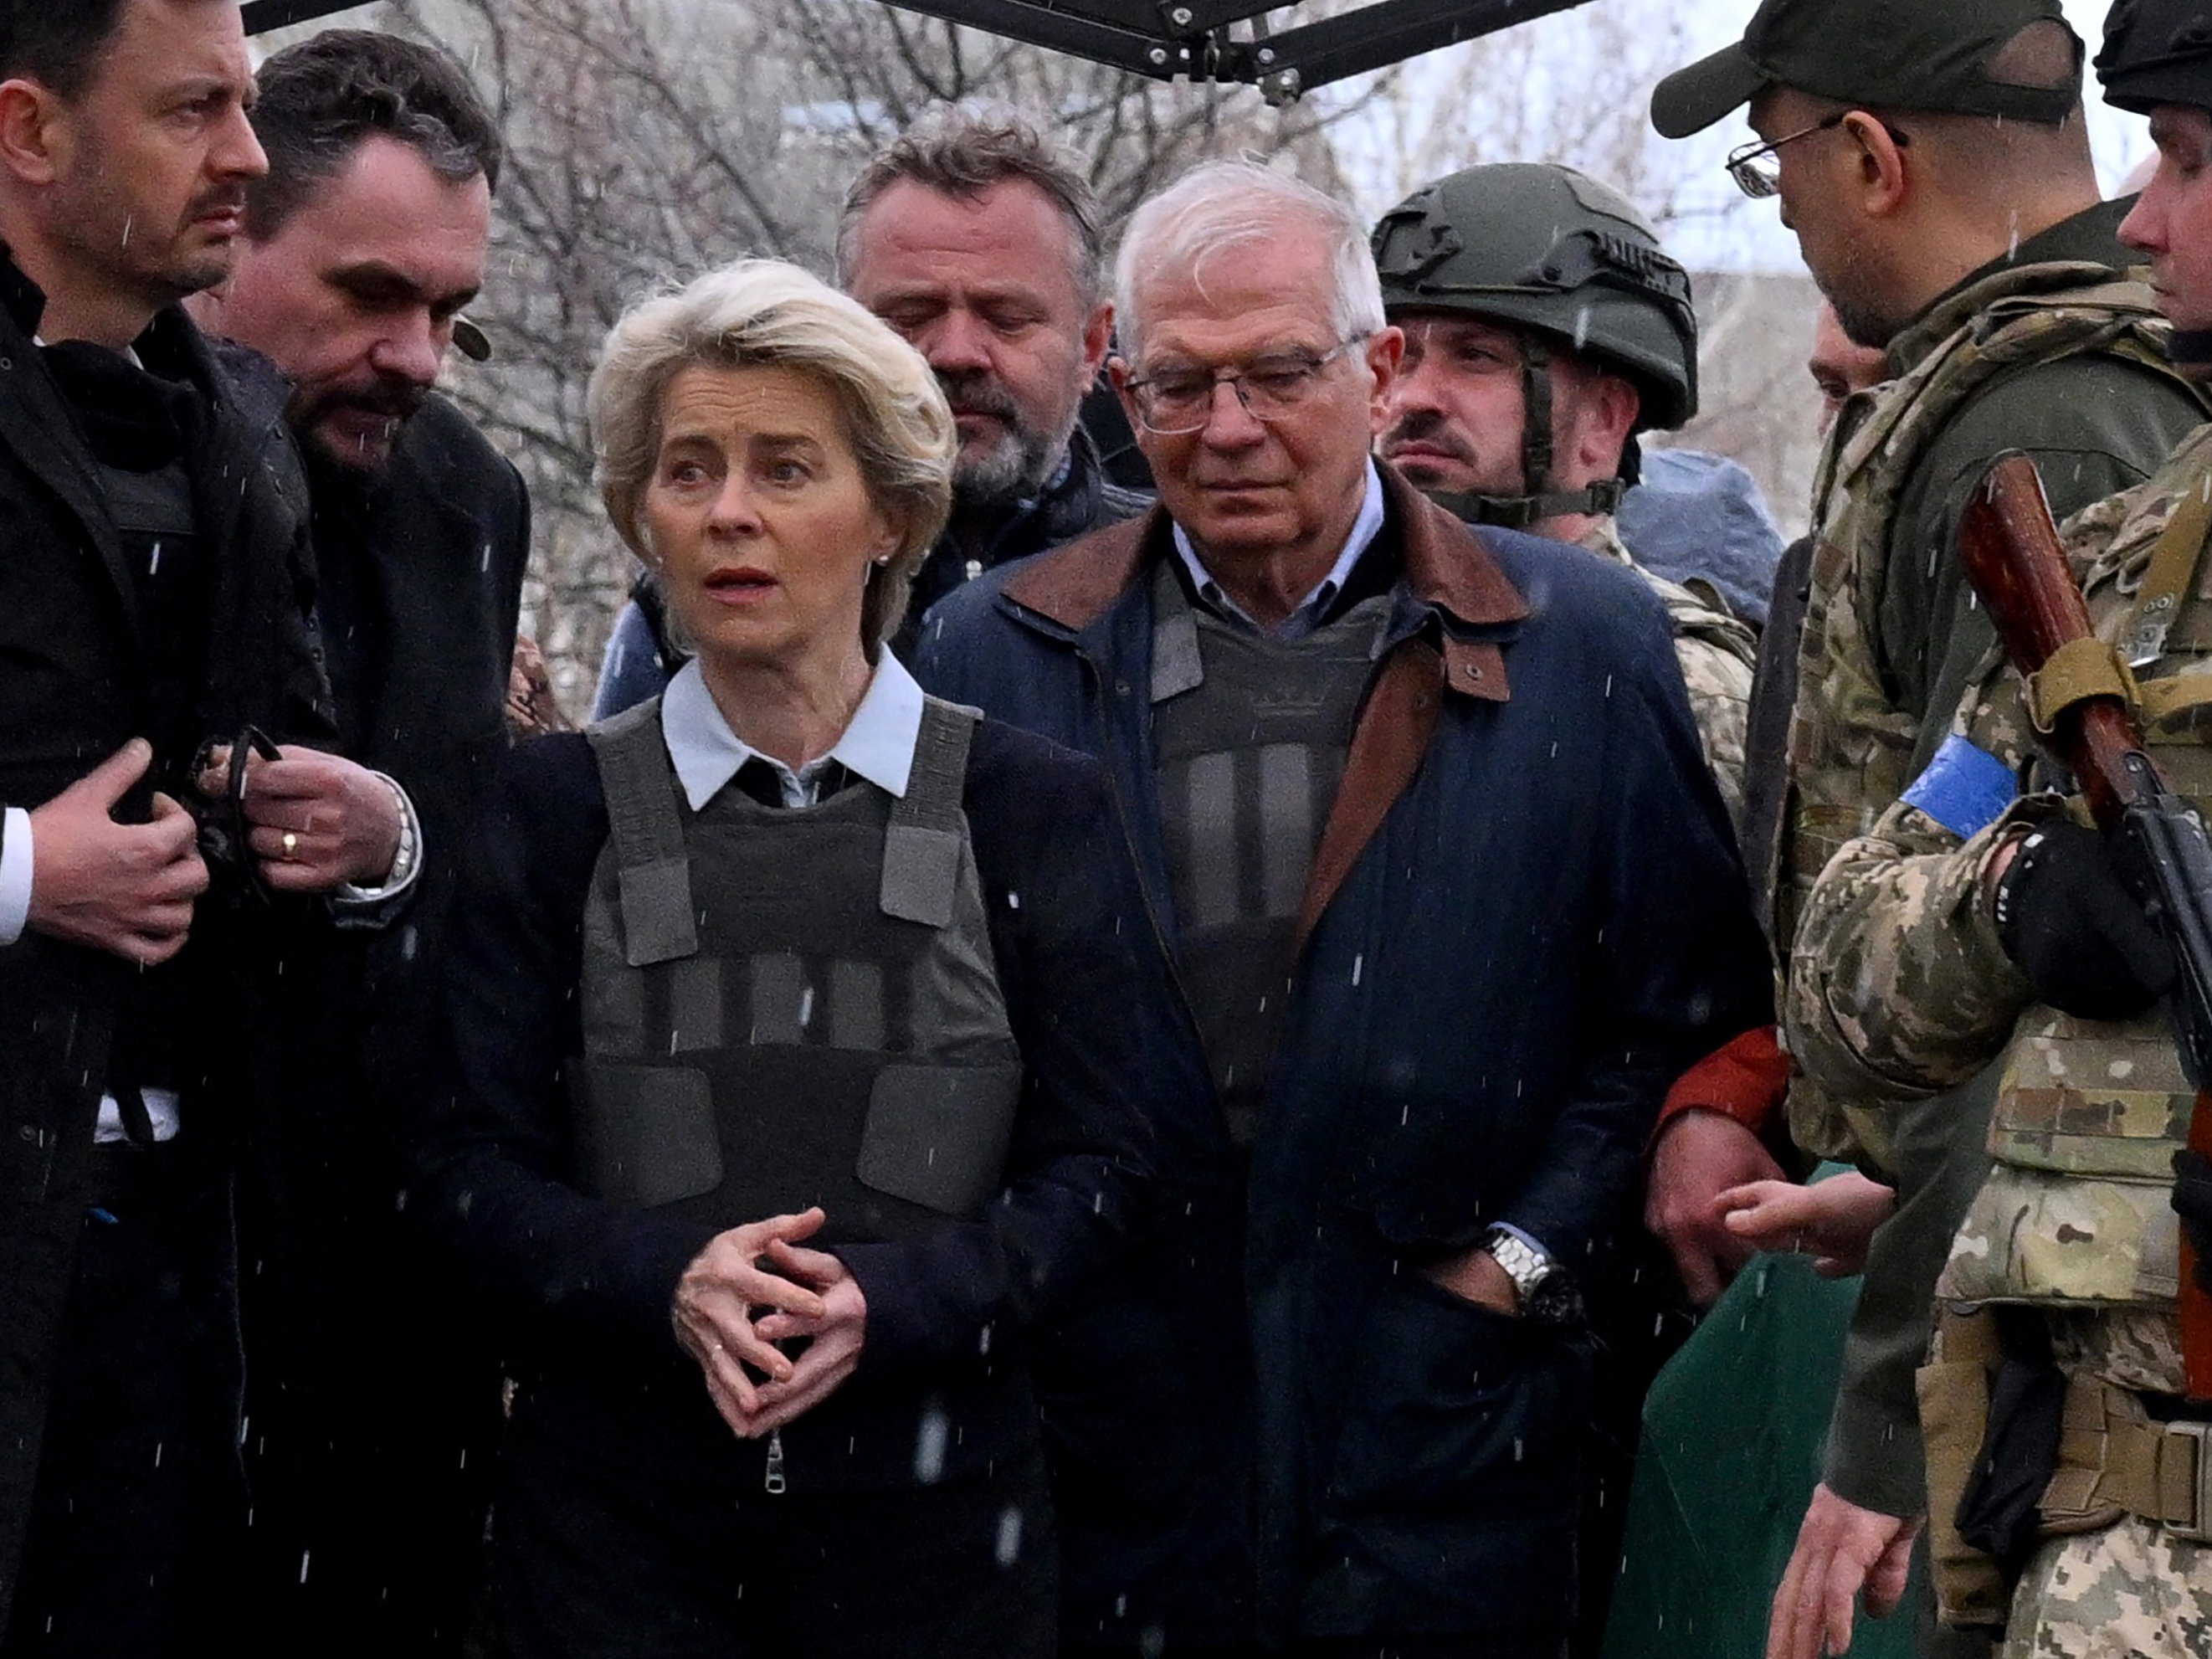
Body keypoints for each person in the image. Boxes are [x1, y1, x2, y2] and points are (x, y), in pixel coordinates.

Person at [916, 159, 1770, 1658]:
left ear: (1374, 372)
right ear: (1120, 377)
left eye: (1276, 373)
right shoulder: (995, 650)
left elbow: (1674, 1016)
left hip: (1444, 1449)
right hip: (1103, 1450)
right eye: (1178, 383)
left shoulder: (1581, 642)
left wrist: (1516, 1263)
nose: (1228, 427)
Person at [413, 258, 1201, 1659]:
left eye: (785, 470)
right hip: (609, 1548)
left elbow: (1108, 1174)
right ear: (639, 516)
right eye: (688, 471)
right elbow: (464, 1174)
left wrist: (893, 1304)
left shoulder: (1033, 806)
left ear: (892, 512)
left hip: (941, 1544)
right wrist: (660, 1278)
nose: (727, 513)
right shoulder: (549, 808)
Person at [1648, 5, 2212, 1653]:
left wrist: (1890, 1419)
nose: (2143, 216)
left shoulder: (2040, 430)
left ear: (1873, 159)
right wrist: (1901, 1182)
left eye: (2180, 164)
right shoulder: (2090, 483)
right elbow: (1971, 923)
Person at [0, 3, 423, 1653]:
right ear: (30, 130)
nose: (250, 155)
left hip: (194, 1269)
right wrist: (30, 872)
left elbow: (303, 752)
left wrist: (369, 830)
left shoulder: (237, 416)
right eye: (194, 108)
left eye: (246, 104)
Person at [182, 30, 525, 1652]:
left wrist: (389, 842)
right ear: (230, 224)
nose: (416, 356)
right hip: (150, 1227)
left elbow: (457, 822)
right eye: (372, 295)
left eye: (450, 314)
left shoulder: (470, 499)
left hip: (385, 1267)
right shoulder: (103, 445)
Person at [592, 104, 1147, 712]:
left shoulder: (1176, 581)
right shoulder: (709, 599)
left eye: (1005, 318)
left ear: (1092, 345)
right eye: (909, 318)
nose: (957, 354)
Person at [1372, 161, 1758, 828]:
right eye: (1399, 355)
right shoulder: (1324, 626)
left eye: (1477, 357)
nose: (1413, 397)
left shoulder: (1668, 681)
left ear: (1604, 420)